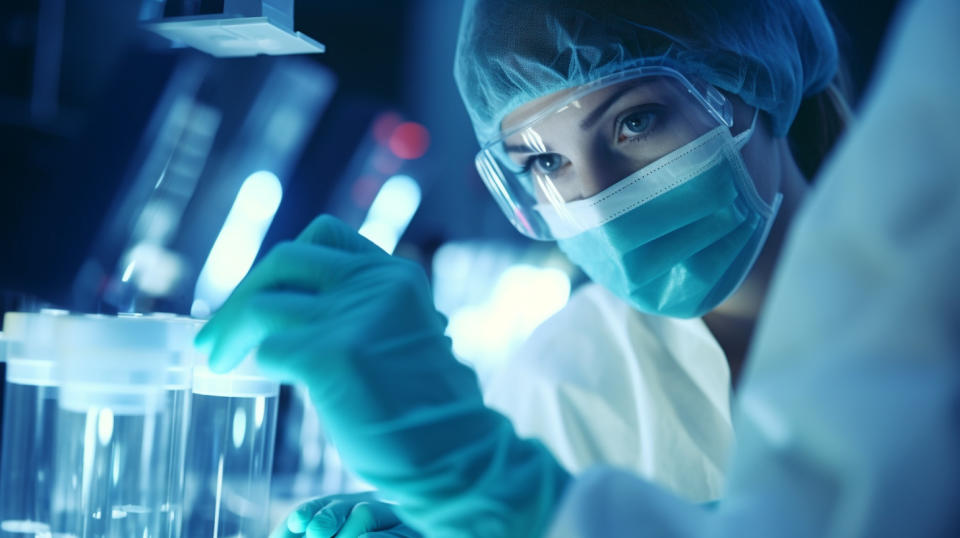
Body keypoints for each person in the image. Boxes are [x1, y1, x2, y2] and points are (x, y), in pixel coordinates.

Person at [198, 0, 960, 536]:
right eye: (545, 161)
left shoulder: (935, 304)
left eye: (635, 122)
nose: (594, 196)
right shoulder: (569, 376)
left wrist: (501, 499)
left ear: (754, 82)